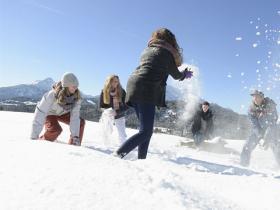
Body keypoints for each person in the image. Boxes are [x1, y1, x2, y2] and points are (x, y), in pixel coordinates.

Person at [115, 28, 193, 159]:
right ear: (171, 41)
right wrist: (184, 74)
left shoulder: (147, 50)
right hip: (147, 89)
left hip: (134, 85)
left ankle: (141, 159)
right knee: (145, 132)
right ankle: (118, 154)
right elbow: (176, 74)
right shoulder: (166, 53)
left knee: (145, 131)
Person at [30, 72, 85, 146]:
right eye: (73, 86)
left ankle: (74, 145)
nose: (75, 88)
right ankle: (42, 142)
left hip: (63, 113)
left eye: (76, 86)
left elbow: (75, 116)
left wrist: (75, 136)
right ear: (66, 85)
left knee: (80, 122)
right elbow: (40, 113)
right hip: (50, 113)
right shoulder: (51, 95)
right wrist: (34, 136)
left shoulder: (77, 97)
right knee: (56, 129)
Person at [240, 90, 279, 167]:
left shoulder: (270, 104)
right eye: (254, 97)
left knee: (277, 147)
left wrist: (268, 133)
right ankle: (243, 166)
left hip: (272, 129)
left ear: (262, 97)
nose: (256, 98)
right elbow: (254, 124)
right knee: (247, 146)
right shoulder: (251, 109)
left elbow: (274, 119)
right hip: (258, 130)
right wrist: (260, 135)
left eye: (258, 97)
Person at [99, 75, 128, 145]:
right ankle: (106, 146)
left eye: (117, 82)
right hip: (108, 116)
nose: (116, 83)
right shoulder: (104, 91)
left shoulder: (122, 91)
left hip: (119, 115)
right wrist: (107, 111)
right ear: (109, 82)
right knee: (106, 132)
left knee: (122, 134)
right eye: (114, 81)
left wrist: (117, 111)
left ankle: (123, 148)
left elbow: (127, 105)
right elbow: (101, 106)